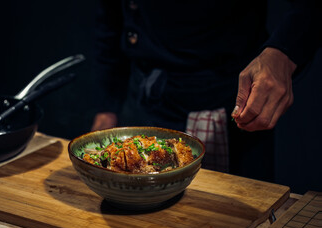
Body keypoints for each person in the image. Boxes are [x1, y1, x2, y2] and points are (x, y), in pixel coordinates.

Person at [90, 1, 321, 181]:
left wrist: (282, 52)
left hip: (225, 103)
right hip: (141, 98)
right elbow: (109, 18)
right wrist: (107, 106)